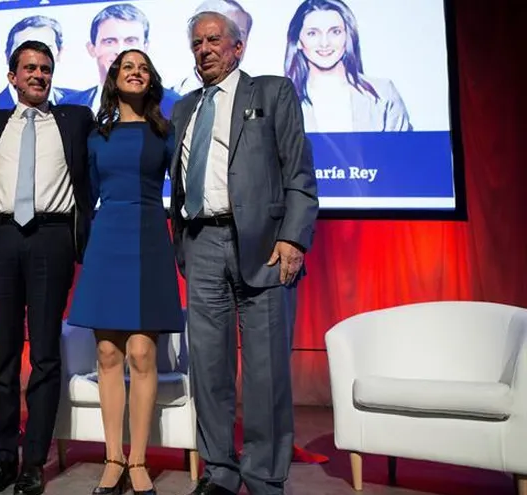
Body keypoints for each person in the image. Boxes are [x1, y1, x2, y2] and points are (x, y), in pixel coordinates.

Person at [169, 10, 319, 495]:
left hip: (265, 246)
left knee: (266, 370)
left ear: (238, 48)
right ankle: (220, 472)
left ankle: (264, 475)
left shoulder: (273, 92)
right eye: (197, 43)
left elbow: (298, 174)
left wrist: (293, 237)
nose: (205, 49)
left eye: (215, 40)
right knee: (208, 367)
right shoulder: (183, 109)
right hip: (202, 242)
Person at [0, 40, 94, 495]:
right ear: (12, 77)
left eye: (45, 68)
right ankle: (3, 457)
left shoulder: (75, 119)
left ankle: (34, 462)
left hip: (52, 238)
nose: (38, 75)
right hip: (0, 236)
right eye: (29, 68)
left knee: (43, 355)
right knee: (2, 357)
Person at [68, 49, 184, 495]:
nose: (135, 73)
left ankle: (139, 460)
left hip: (150, 236)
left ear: (151, 81)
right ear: (114, 79)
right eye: (126, 67)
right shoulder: (96, 135)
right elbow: (87, 192)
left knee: (141, 353)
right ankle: (113, 458)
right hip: (107, 238)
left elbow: (188, 184)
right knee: (108, 355)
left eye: (143, 68)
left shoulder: (165, 132)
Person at [284, 0, 412, 132]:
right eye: (312, 33)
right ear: (298, 41)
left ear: (348, 36)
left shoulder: (383, 95)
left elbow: (405, 151)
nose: (324, 43)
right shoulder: (281, 104)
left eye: (335, 32)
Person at [60, 3, 180, 118]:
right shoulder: (68, 105)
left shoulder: (173, 104)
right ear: (92, 49)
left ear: (145, 47)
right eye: (110, 41)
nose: (121, 50)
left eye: (130, 41)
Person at [0, 15, 77, 112]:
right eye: (25, 49)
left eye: (45, 49)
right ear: (8, 56)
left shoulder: (79, 104)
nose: (35, 58)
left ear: (59, 54)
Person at [170, 0, 253, 95]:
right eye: (198, 42)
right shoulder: (173, 102)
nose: (205, 49)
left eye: (241, 34)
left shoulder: (263, 95)